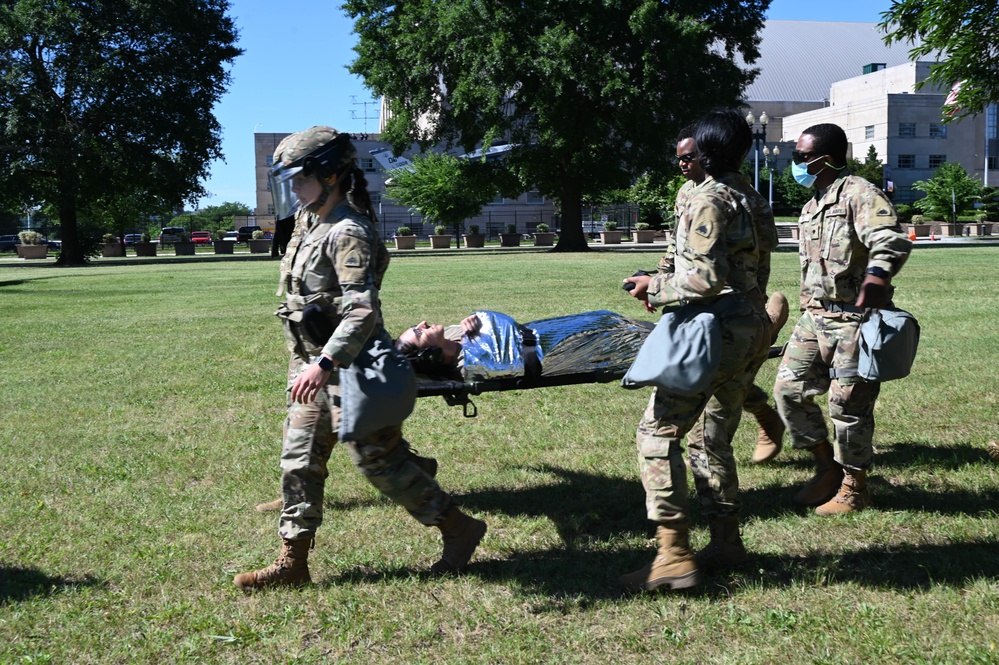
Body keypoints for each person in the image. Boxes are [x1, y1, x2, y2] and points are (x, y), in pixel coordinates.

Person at [233, 126, 486, 591]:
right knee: (299, 460)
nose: (292, 187)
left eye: (299, 177)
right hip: (313, 365)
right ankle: (293, 561)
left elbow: (362, 309)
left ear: (329, 175)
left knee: (379, 463)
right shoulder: (309, 222)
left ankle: (458, 528)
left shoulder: (349, 231)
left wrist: (324, 363)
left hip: (352, 367)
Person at [618, 109, 772, 592]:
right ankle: (727, 541)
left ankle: (673, 554)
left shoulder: (710, 199)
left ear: (705, 151)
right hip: (750, 326)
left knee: (657, 434)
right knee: (711, 438)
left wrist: (655, 285)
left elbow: (704, 278)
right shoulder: (750, 195)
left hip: (713, 331)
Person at [773, 123, 912, 517]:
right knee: (788, 390)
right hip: (814, 317)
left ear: (826, 158)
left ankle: (855, 487)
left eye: (801, 157)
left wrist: (878, 275)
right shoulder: (812, 204)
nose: (795, 163)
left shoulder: (859, 194)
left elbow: (890, 239)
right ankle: (826, 467)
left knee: (847, 406)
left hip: (854, 319)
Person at [672, 125, 789, 465]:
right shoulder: (686, 194)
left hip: (731, 305)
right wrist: (660, 276)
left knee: (717, 380)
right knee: (712, 377)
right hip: (692, 304)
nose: (683, 164)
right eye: (678, 159)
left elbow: (760, 255)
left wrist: (754, 309)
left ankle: (766, 420)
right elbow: (676, 247)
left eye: (689, 157)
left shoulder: (735, 195)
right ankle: (766, 415)